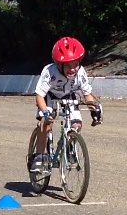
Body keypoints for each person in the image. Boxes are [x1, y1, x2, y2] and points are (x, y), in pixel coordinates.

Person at [29, 37, 103, 170]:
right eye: (68, 65)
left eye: (75, 64)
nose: (73, 69)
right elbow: (39, 96)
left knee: (77, 124)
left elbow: (87, 94)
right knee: (46, 124)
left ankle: (69, 146)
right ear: (59, 65)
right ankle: (39, 156)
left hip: (68, 96)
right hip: (49, 97)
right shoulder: (49, 72)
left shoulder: (80, 73)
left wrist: (94, 110)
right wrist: (45, 112)